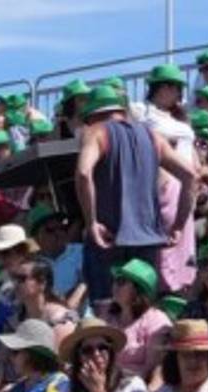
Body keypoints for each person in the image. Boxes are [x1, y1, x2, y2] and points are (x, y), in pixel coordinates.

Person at [75, 85, 199, 306]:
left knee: (105, 311)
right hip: (147, 241)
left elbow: (84, 173)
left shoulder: (95, 132)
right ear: (121, 111)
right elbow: (190, 174)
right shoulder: (153, 136)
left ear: (93, 115)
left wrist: (92, 222)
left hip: (107, 238)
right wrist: (179, 224)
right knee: (141, 310)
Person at [104, 259, 171, 380]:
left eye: (121, 281)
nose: (115, 285)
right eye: (115, 280)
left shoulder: (157, 321)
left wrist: (118, 376)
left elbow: (153, 369)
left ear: (138, 289)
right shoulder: (108, 318)